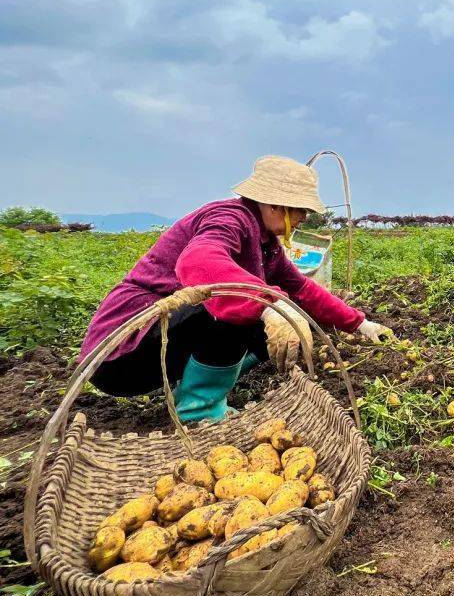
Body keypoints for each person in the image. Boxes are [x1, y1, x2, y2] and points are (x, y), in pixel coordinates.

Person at [79, 155, 393, 421]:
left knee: (276, 326)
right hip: (120, 353)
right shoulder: (229, 219)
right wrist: (271, 303)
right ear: (272, 205)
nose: (302, 218)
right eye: (298, 210)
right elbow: (198, 260)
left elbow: (303, 290)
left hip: (160, 344)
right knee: (237, 307)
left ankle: (196, 387)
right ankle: (197, 412)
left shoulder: (267, 245)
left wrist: (360, 323)